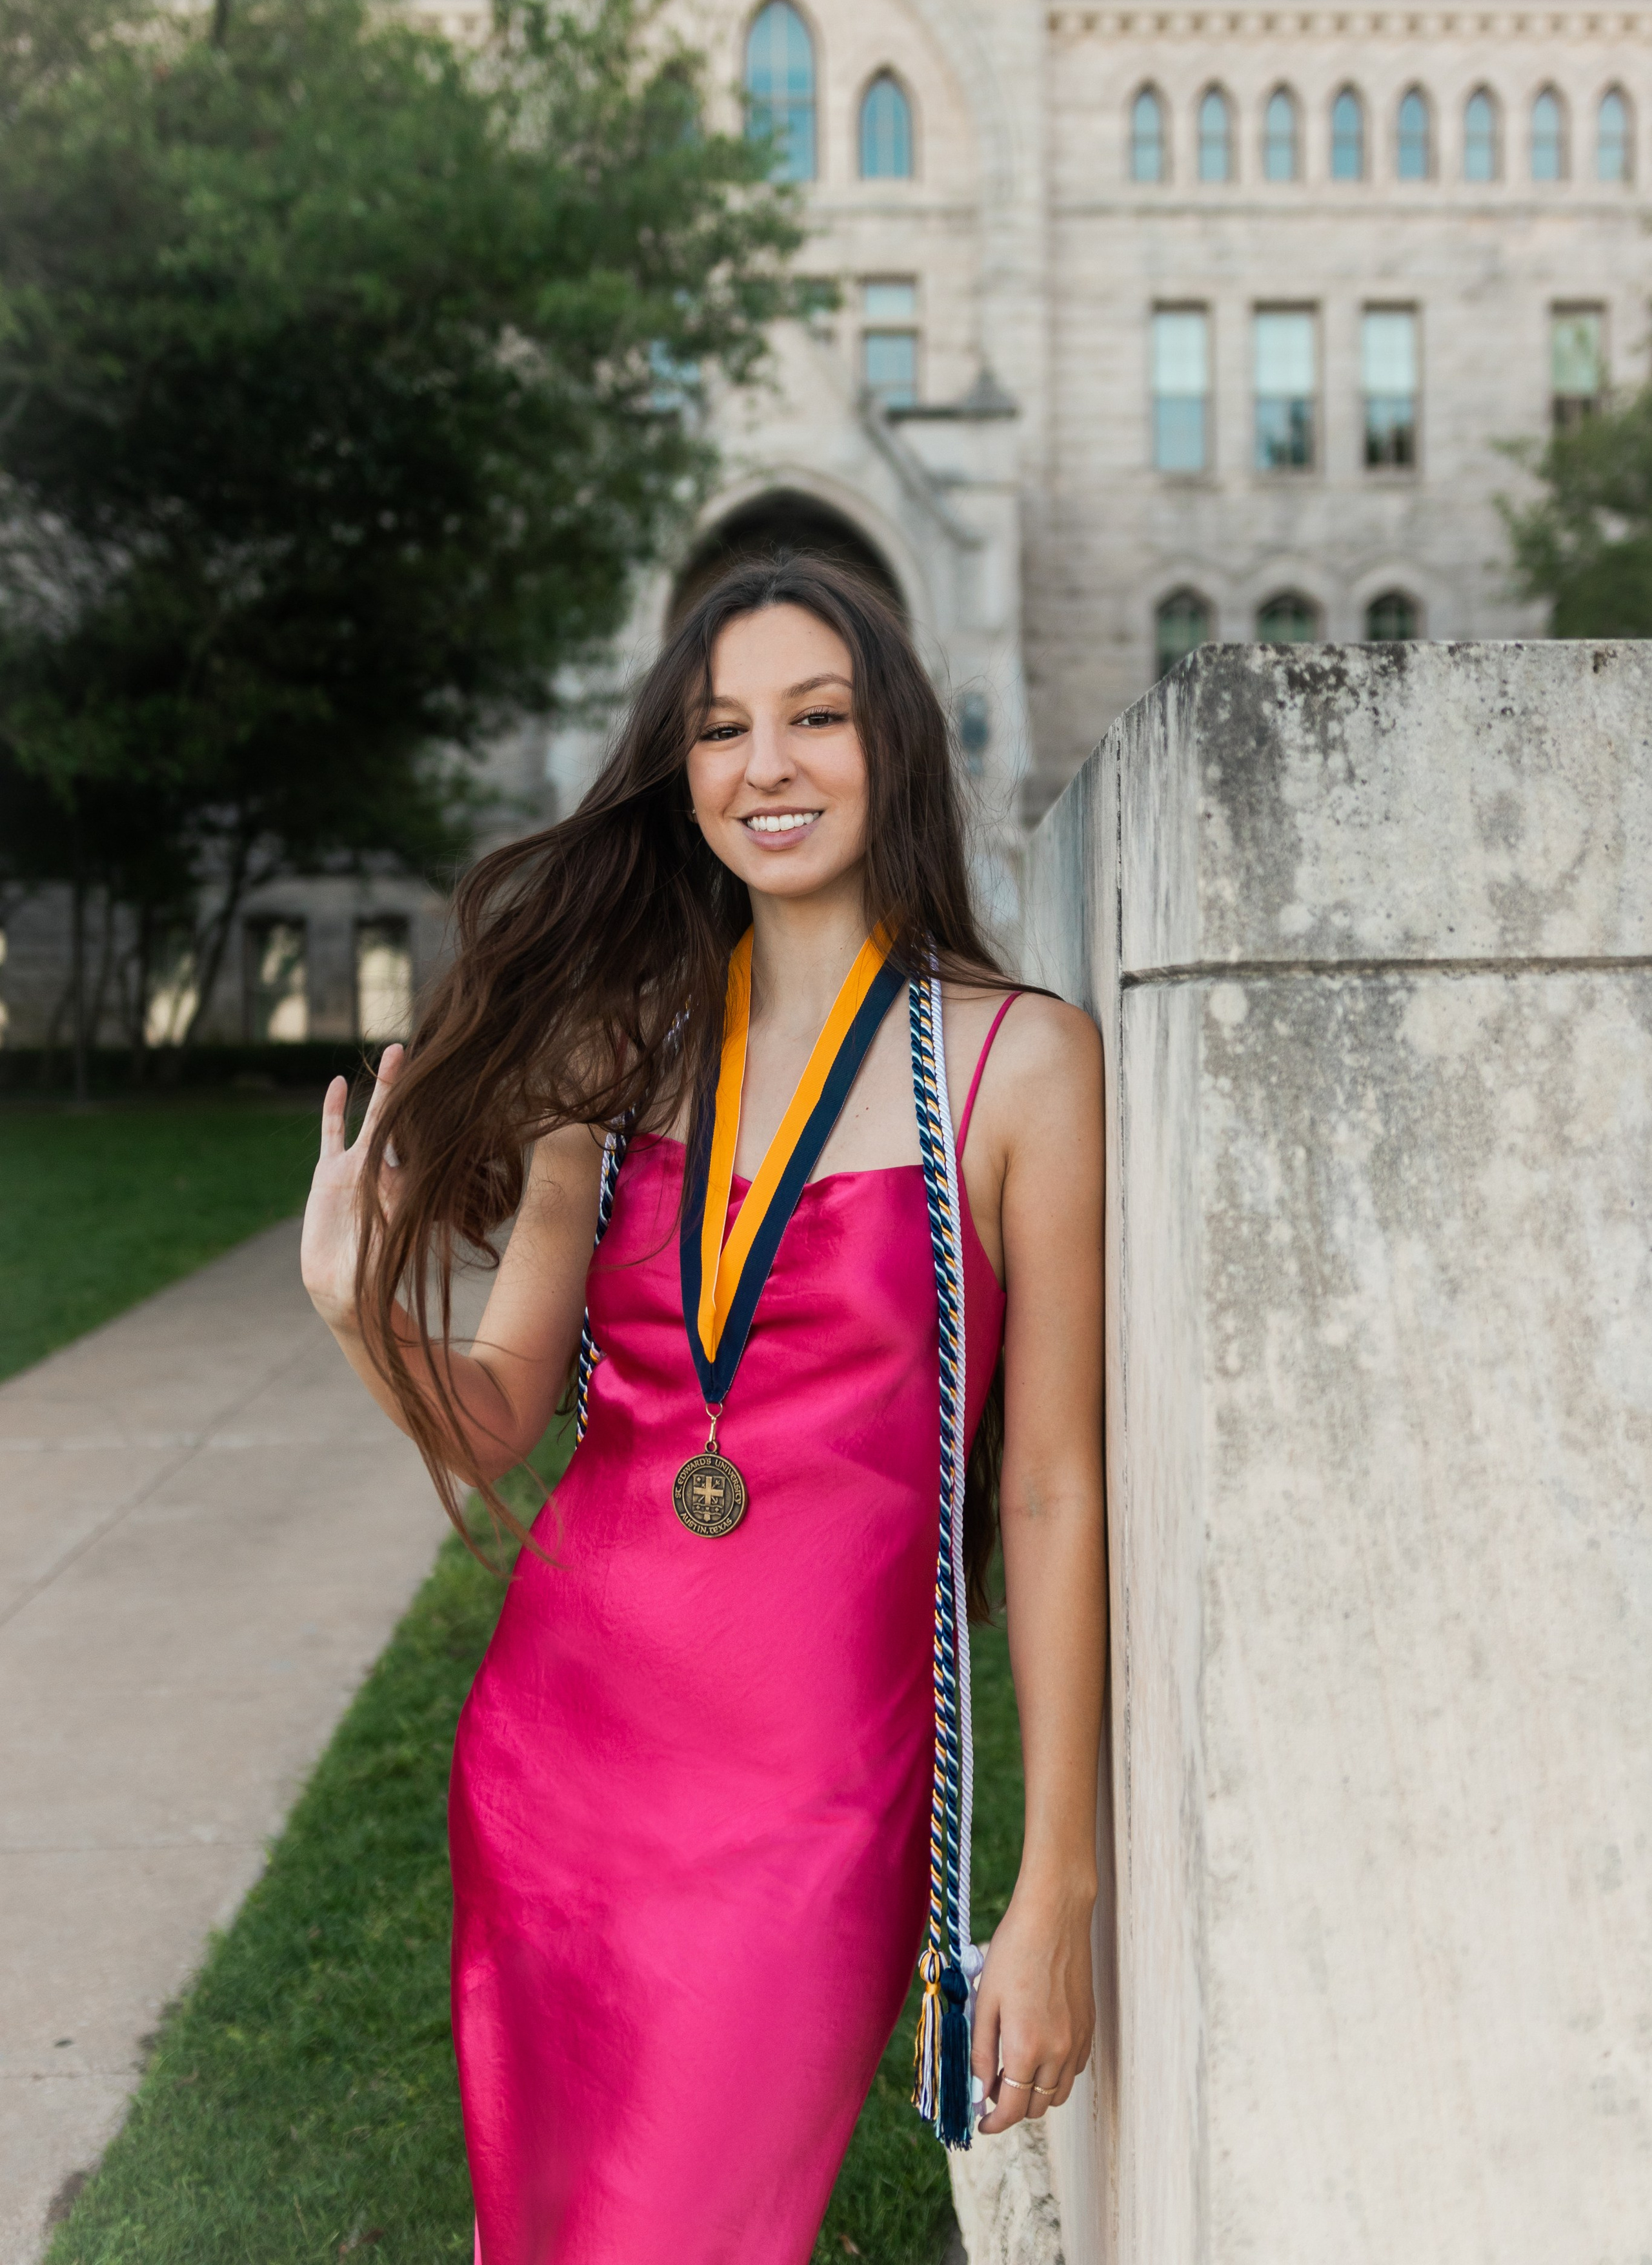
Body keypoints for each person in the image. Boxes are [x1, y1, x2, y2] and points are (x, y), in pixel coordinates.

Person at [301, 553, 1104, 2264]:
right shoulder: (625, 1047)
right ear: (682, 771)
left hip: (817, 1798)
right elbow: (503, 1408)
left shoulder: (1018, 1065)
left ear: (892, 745)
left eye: (815, 716)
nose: (767, 763)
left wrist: (1055, 1890)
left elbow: (1048, 1491)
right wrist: (354, 1309)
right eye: (723, 727)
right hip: (556, 1755)